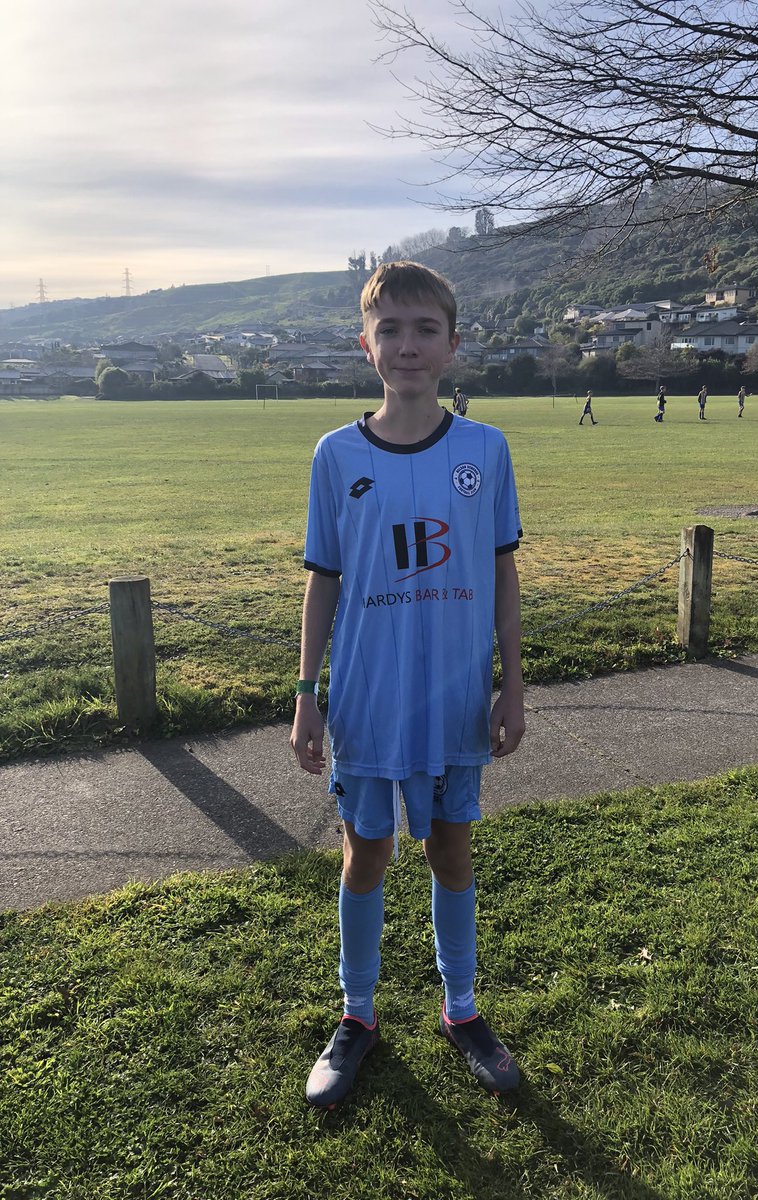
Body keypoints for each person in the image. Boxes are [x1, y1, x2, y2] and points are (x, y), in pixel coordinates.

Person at [291, 260, 526, 1110]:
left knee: (451, 850)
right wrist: (306, 693)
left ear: (453, 344)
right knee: (367, 854)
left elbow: (502, 573)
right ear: (366, 346)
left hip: (457, 698)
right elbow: (323, 580)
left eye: (426, 329)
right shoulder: (336, 454)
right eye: (389, 329)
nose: (408, 345)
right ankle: (357, 1014)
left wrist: (513, 684)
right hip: (367, 699)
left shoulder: (485, 449)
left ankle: (462, 1010)